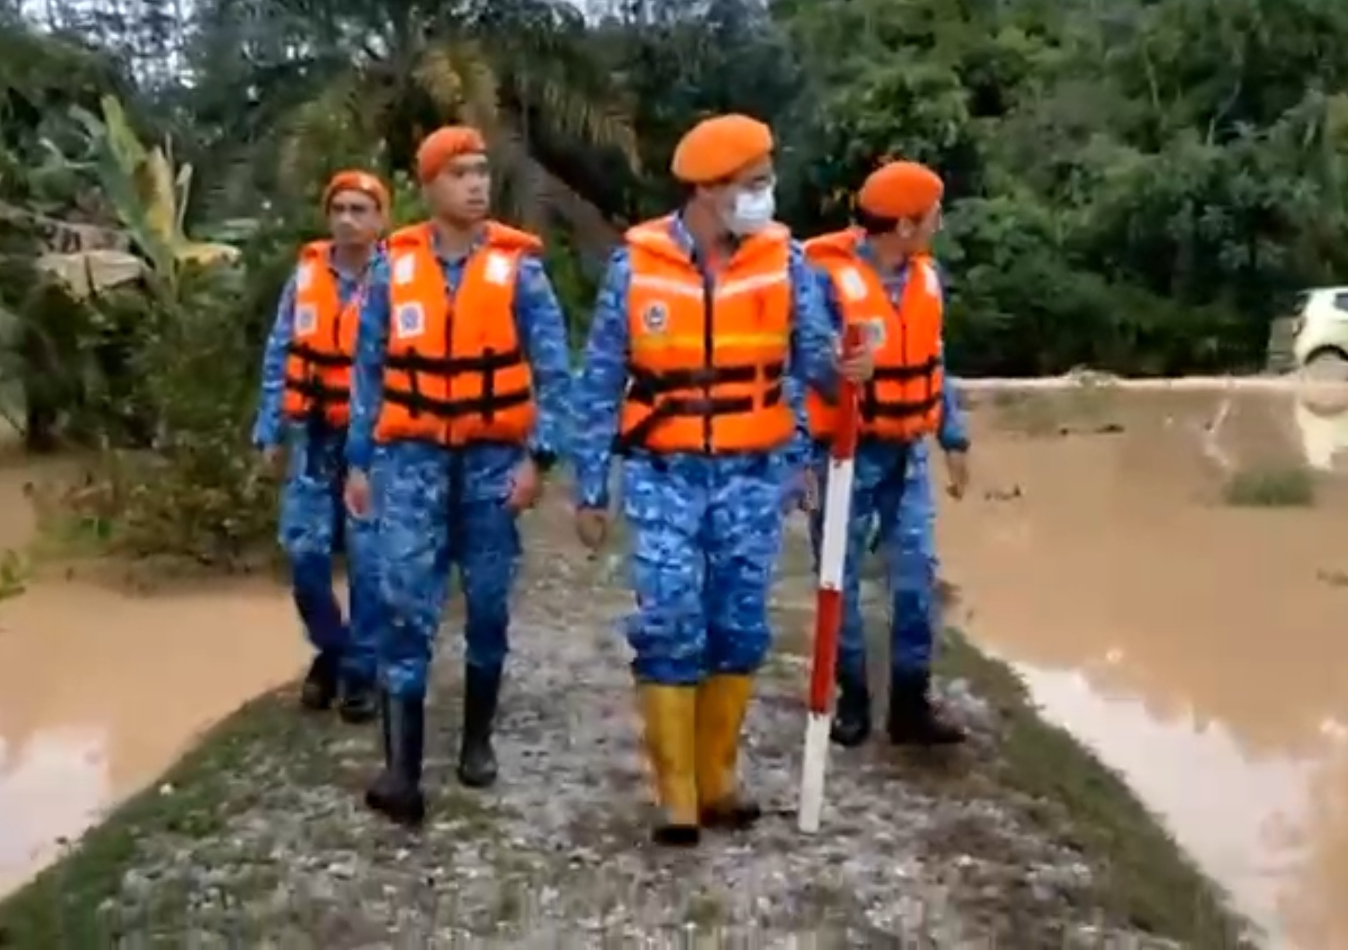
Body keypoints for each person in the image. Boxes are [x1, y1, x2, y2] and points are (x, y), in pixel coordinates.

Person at [570, 114, 849, 847]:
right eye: (751, 184)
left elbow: (815, 359)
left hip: (755, 473)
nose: (764, 197)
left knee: (740, 625)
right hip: (666, 473)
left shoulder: (785, 265)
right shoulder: (636, 269)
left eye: (765, 183)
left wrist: (851, 366)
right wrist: (591, 488)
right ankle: (678, 796)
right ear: (708, 189)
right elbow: (599, 384)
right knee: (668, 621)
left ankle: (720, 776)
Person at [343, 125, 573, 827]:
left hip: (490, 462)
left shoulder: (520, 271)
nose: (477, 183)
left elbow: (556, 375)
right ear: (430, 185)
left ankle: (476, 740)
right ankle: (402, 773)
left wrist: (539, 459)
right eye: (460, 173)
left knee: (489, 604)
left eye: (481, 171)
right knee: (405, 606)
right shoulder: (392, 269)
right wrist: (358, 462)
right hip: (409, 462)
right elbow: (369, 374)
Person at [801, 159, 972, 749]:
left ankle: (910, 704)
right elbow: (801, 361)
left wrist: (954, 436)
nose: (939, 224)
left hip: (908, 453)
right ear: (903, 224)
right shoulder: (822, 278)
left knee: (917, 575)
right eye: (933, 215)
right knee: (837, 579)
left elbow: (934, 360)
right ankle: (852, 697)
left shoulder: (926, 278)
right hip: (846, 452)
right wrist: (835, 373)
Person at [250, 170, 389, 724]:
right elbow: (279, 351)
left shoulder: (398, 280)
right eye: (340, 209)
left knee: (368, 563)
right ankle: (333, 650)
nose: (349, 219)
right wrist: (269, 428)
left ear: (381, 219)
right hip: (312, 436)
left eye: (361, 209)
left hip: (373, 443)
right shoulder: (305, 277)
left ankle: (361, 672)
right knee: (305, 557)